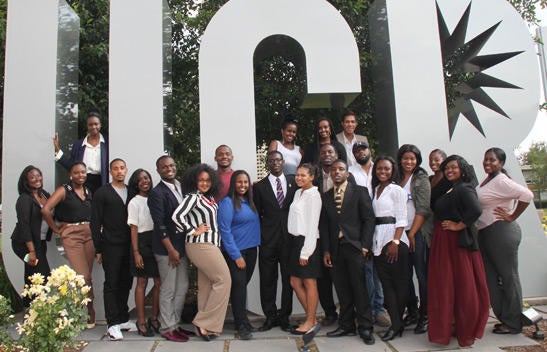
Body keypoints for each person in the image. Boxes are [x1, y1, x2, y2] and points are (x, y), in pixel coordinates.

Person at [428, 155, 489, 347]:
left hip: (456, 244)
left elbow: (476, 210)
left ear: (463, 168)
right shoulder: (449, 188)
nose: (449, 171)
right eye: (447, 168)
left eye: (454, 167)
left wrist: (458, 226)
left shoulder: (464, 188)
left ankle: (467, 328)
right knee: (446, 285)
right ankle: (451, 325)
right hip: (443, 242)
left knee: (463, 286)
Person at [477, 148, 533, 334]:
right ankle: (505, 318)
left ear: (500, 163)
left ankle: (514, 322)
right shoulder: (489, 179)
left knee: (509, 277)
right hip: (486, 233)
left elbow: (527, 195)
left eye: (492, 160)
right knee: (491, 279)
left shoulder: (501, 180)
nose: (488, 163)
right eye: (486, 159)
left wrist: (512, 216)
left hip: (500, 232)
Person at [172, 163, 231, 340]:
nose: (204, 183)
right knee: (224, 280)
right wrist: (192, 230)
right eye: (201, 180)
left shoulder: (210, 199)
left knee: (207, 285)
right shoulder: (193, 198)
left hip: (211, 245)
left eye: (207, 180)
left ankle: (204, 328)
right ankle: (204, 322)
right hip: (200, 244)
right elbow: (176, 216)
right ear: (194, 182)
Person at [320, 159, 376, 345]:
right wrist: (326, 250)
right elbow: (325, 226)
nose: (337, 172)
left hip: (355, 248)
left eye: (341, 169)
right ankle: (346, 325)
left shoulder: (360, 192)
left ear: (347, 173)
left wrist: (365, 246)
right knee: (342, 290)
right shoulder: (326, 196)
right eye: (334, 169)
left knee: (359, 289)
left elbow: (369, 220)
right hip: (336, 250)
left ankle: (366, 327)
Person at [41, 162, 95, 328]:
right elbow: (45, 210)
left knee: (87, 277)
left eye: (83, 172)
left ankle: (83, 310)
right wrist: (56, 230)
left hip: (89, 234)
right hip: (72, 236)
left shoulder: (87, 190)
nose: (81, 175)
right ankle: (88, 311)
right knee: (82, 276)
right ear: (71, 175)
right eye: (77, 173)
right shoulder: (64, 190)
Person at [253, 151, 297, 332]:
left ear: (283, 162)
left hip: (289, 239)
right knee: (268, 279)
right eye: (271, 161)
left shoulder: (294, 183)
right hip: (268, 241)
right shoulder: (259, 187)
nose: (275, 163)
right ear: (267, 164)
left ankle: (285, 316)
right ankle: (270, 316)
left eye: (278, 160)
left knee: (288, 279)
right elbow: (257, 214)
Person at [349, 142, 391, 328]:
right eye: (357, 151)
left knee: (380, 271)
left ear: (369, 151)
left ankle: (380, 308)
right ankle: (369, 310)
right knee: (367, 270)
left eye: (363, 149)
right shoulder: (350, 172)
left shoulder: (381, 169)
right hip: (363, 226)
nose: (361, 152)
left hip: (383, 226)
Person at [148, 155, 189, 342]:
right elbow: (159, 224)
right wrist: (171, 250)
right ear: (158, 170)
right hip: (167, 250)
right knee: (169, 289)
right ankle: (166, 327)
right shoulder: (157, 193)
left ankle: (175, 323)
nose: (169, 169)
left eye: (171, 165)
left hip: (182, 247)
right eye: (164, 167)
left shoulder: (181, 186)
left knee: (182, 286)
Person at [91, 158, 134, 340]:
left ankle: (123, 318)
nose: (119, 171)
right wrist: (98, 248)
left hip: (130, 246)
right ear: (110, 172)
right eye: (115, 169)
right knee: (112, 283)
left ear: (126, 170)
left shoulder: (131, 191)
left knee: (126, 282)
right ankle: (112, 324)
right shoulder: (102, 193)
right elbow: (95, 223)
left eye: (122, 168)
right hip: (110, 246)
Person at [218, 170, 261, 340]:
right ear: (233, 184)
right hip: (236, 252)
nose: (242, 185)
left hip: (251, 249)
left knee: (242, 286)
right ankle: (241, 325)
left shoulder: (249, 201)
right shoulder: (227, 203)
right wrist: (236, 256)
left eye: (245, 182)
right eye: (239, 182)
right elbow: (225, 231)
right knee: (238, 288)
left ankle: (244, 321)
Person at [371, 156, 409, 341]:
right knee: (386, 285)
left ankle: (397, 324)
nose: (382, 171)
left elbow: (402, 218)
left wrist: (395, 241)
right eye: (379, 168)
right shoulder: (375, 189)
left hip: (394, 241)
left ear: (392, 170)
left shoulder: (397, 190)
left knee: (399, 284)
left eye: (386, 168)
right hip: (378, 241)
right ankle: (396, 323)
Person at [396, 144, 431, 334]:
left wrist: (412, 234)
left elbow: (423, 209)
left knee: (422, 275)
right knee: (404, 275)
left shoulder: (421, 178)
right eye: (405, 158)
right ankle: (412, 312)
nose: (408, 162)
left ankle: (425, 315)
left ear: (417, 160)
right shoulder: (397, 179)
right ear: (400, 159)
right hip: (401, 233)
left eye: (412, 158)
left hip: (417, 233)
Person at [288, 164, 322, 336]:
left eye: (303, 175)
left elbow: (312, 225)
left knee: (309, 282)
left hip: (308, 243)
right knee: (294, 281)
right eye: (297, 175)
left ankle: (310, 320)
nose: (299, 178)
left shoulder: (314, 195)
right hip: (295, 242)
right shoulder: (297, 192)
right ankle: (312, 318)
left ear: (312, 177)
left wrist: (306, 252)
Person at [11, 166, 52, 307]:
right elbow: (24, 226)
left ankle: (29, 311)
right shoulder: (24, 199)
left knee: (32, 275)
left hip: (39, 242)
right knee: (42, 275)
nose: (37, 179)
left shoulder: (44, 195)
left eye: (38, 175)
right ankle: (36, 309)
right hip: (24, 244)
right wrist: (32, 251)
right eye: (32, 177)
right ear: (26, 181)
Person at [127, 169, 161, 337]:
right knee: (142, 282)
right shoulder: (134, 202)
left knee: (158, 282)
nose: (144, 181)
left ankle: (154, 318)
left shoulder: (155, 197)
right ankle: (141, 321)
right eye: (140, 179)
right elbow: (133, 229)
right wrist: (136, 252)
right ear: (135, 183)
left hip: (156, 241)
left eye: (146, 178)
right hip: (141, 242)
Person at [313, 143, 340, 326]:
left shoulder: (347, 176)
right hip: (319, 232)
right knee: (322, 277)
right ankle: (330, 313)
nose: (327, 155)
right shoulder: (314, 179)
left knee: (342, 276)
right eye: (323, 152)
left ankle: (348, 313)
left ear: (336, 154)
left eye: (330, 152)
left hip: (341, 234)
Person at [53, 112, 108, 193]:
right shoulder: (78, 144)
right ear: (87, 126)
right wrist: (57, 150)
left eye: (96, 124)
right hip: (83, 181)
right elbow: (72, 166)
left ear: (100, 125)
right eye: (90, 124)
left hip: (102, 182)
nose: (93, 127)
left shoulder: (107, 143)